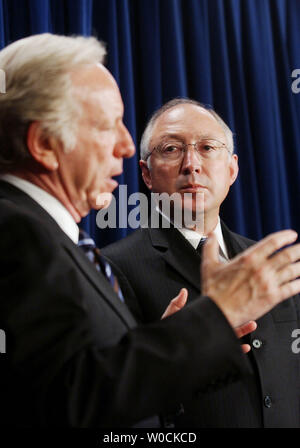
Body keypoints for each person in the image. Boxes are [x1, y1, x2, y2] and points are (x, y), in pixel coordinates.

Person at [0, 35, 300, 428]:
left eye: (208, 148)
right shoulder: (17, 232)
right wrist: (215, 316)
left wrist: (173, 336)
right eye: (108, 126)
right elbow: (73, 401)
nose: (125, 146)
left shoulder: (57, 240)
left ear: (233, 168)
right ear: (43, 144)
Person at [102, 98, 300, 428]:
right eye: (171, 149)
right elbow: (115, 409)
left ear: (233, 169)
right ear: (146, 174)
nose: (191, 164)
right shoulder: (113, 268)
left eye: (207, 147)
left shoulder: (271, 264)